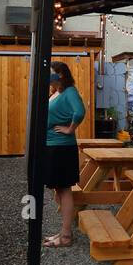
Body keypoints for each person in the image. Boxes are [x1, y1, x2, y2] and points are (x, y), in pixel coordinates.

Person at [44, 60, 84, 247]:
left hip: (61, 147)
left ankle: (66, 236)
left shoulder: (69, 92)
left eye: (50, 73)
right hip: (52, 146)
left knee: (64, 189)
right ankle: (63, 231)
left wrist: (70, 129)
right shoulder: (56, 93)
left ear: (60, 75)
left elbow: (80, 112)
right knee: (58, 190)